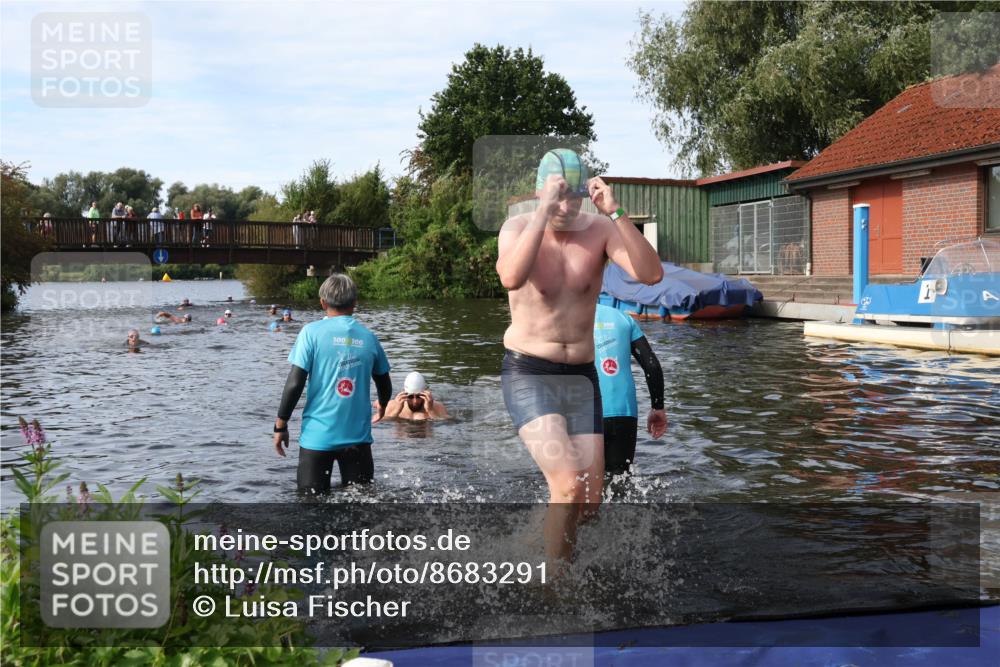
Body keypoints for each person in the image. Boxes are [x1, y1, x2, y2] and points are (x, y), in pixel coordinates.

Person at [495, 148, 662, 567]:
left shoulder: (599, 231)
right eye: (559, 195)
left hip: (582, 378)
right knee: (568, 486)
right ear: (540, 191)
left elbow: (651, 274)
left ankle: (536, 547)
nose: (567, 207)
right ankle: (556, 594)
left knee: (589, 503)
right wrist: (541, 214)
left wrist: (617, 211)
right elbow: (511, 277)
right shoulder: (516, 228)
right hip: (530, 371)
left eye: (576, 197)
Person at [273, 274, 392, 493]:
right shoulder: (369, 338)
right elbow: (384, 382)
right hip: (357, 439)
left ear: (322, 302)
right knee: (360, 509)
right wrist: (383, 404)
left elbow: (295, 383)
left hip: (317, 438)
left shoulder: (310, 333)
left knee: (311, 508)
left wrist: (281, 425)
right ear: (355, 302)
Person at [593, 304, 667, 476]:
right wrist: (658, 407)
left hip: (584, 415)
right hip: (624, 414)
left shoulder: (564, 317)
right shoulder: (623, 318)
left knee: (580, 487)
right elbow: (652, 366)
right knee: (620, 483)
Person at [381, 372, 449, 421]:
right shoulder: (392, 405)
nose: (415, 401)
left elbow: (448, 423)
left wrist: (430, 411)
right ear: (405, 393)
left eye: (419, 396)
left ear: (424, 393)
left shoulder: (437, 407)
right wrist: (396, 412)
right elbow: (377, 422)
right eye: (410, 397)